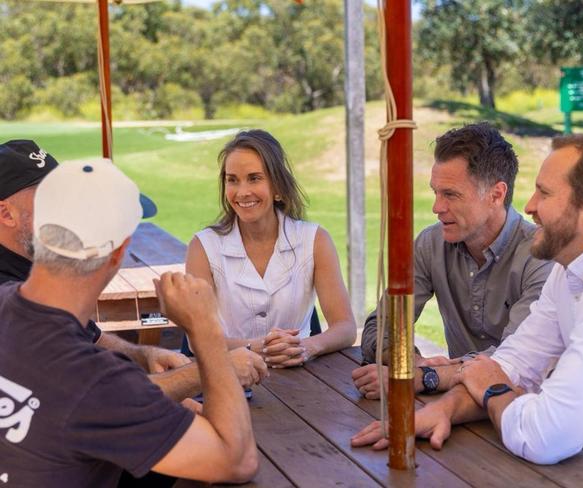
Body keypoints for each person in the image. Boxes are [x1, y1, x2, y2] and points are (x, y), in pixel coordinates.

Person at [352, 134, 583, 483]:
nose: (529, 205)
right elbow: (513, 363)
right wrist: (443, 409)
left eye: (545, 193)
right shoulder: (569, 269)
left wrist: (492, 389)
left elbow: (543, 435)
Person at [0, 158, 259, 486]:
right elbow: (237, 461)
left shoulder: (8, 303)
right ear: (119, 252)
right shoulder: (94, 381)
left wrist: (143, 359)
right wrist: (205, 328)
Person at [0, 140, 268, 400]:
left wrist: (144, 355)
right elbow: (96, 397)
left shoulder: (30, 262)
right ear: (6, 214)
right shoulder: (10, 300)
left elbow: (88, 336)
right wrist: (213, 369)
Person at [353, 123, 552, 399]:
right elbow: (380, 328)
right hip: (458, 403)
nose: (437, 207)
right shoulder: (431, 244)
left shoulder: (541, 256)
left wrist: (427, 377)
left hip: (527, 412)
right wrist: (414, 363)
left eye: (451, 194)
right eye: (435, 192)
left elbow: (514, 359)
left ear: (496, 194)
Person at [186, 129, 356, 367]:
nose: (242, 192)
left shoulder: (315, 240)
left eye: (254, 178)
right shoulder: (203, 247)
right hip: (230, 378)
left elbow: (345, 327)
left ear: (277, 186)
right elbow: (197, 339)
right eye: (232, 179)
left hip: (302, 380)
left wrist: (306, 347)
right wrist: (258, 347)